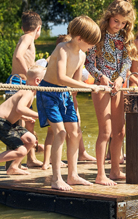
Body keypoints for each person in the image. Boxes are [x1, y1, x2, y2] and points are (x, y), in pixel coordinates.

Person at [38, 16, 109, 191]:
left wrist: (95, 86)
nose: (93, 46)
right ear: (79, 39)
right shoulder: (62, 48)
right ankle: (56, 178)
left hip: (64, 94)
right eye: (91, 43)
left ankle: (72, 175)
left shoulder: (82, 55)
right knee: (60, 133)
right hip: (49, 92)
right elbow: (62, 77)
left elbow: (74, 84)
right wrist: (93, 87)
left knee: (75, 133)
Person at [85, 0, 136, 186]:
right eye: (116, 21)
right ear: (108, 16)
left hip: (119, 86)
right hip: (101, 86)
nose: (119, 25)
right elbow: (89, 63)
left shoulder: (124, 37)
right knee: (105, 132)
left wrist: (121, 78)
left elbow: (127, 61)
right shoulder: (97, 35)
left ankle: (115, 171)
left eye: (123, 23)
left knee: (120, 132)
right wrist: (101, 77)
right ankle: (100, 174)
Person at [0, 66, 44, 180]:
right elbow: (20, 108)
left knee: (31, 139)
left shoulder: (29, 91)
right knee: (21, 151)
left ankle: (13, 167)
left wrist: (25, 118)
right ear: (38, 81)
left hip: (8, 123)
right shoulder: (28, 92)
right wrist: (39, 115)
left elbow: (15, 110)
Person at [7, 11, 44, 168]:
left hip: (25, 84)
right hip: (19, 83)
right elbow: (19, 56)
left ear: (23, 27)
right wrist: (30, 76)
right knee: (16, 125)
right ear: (38, 28)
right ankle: (11, 163)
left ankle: (30, 158)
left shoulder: (26, 37)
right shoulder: (27, 38)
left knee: (29, 123)